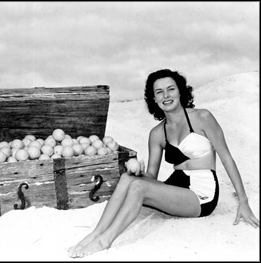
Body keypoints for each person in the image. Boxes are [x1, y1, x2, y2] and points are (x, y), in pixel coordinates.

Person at [67, 68, 259, 258]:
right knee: (128, 179)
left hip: (202, 193)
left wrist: (243, 201)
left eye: (171, 89)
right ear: (154, 99)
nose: (166, 96)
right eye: (159, 92)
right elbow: (151, 176)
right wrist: (136, 170)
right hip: (175, 185)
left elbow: (227, 158)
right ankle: (96, 232)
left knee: (138, 188)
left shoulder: (203, 118)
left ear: (181, 91)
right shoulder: (157, 133)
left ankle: (105, 240)